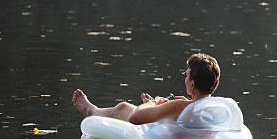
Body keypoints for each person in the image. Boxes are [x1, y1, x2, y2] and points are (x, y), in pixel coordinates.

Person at [72, 53, 221, 125]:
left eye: (185, 75)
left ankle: (92, 111)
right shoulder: (215, 107)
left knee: (123, 107)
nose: (184, 78)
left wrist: (154, 103)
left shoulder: (181, 105)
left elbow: (135, 118)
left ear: (192, 83)